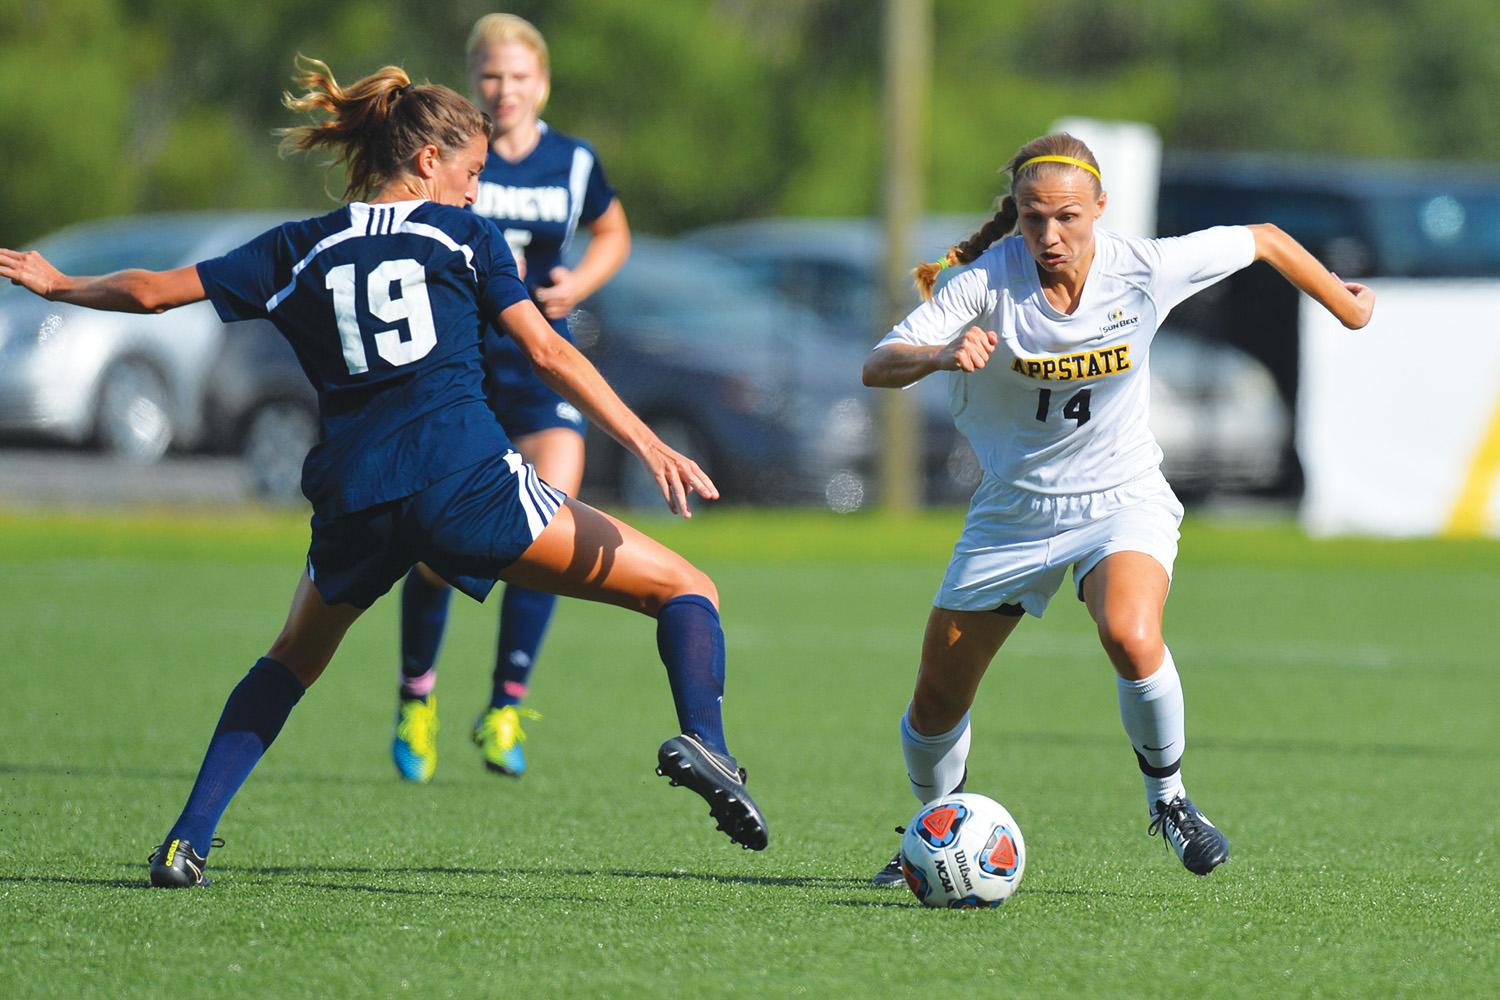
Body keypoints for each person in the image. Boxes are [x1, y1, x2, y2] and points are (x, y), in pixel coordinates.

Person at [0, 57, 768, 888]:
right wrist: (647, 443)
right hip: (463, 483)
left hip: (356, 499)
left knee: (289, 660)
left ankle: (186, 841)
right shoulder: (461, 236)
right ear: (429, 161)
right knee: (685, 588)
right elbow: (546, 350)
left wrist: (63, 283)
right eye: (473, 174)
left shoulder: (298, 246)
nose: (479, 194)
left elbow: (153, 292)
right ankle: (710, 746)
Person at [861, 133, 1373, 883]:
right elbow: (878, 364)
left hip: (1121, 495)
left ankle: (1169, 802)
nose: (1050, 235)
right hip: (1015, 513)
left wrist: (1346, 307)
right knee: (935, 700)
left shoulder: (1143, 268)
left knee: (1131, 635)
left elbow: (1264, 239)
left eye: (1068, 216)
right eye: (1034, 219)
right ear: (1018, 217)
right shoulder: (982, 284)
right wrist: (939, 354)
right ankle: (935, 830)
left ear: (1101, 208)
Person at [393, 12, 634, 784]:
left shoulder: (572, 160)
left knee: (549, 523)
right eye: (492, 77)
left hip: (539, 368)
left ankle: (504, 705)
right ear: (473, 82)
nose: (505, 90)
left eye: (519, 77)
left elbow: (613, 232)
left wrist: (580, 283)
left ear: (543, 84)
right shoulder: (456, 159)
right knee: (437, 551)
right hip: (459, 371)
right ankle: (416, 694)